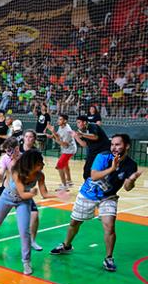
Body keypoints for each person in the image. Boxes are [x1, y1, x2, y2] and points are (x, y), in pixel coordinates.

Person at [51, 134, 142, 272]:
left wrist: (132, 180)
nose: (114, 147)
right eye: (113, 144)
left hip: (108, 197)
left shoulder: (131, 165)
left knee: (109, 226)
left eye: (118, 144)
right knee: (75, 223)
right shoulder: (103, 156)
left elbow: (127, 188)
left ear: (127, 146)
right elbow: (94, 176)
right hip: (89, 193)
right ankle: (66, 245)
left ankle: (109, 258)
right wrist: (112, 168)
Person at [0, 150, 68, 275]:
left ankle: (26, 261)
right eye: (40, 163)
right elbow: (23, 193)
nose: (43, 165)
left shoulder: (40, 175)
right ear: (32, 163)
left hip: (23, 202)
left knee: (24, 231)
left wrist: (58, 195)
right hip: (7, 197)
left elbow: (44, 194)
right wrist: (32, 193)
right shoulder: (17, 172)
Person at [73, 115, 110, 180]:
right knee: (86, 171)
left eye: (79, 122)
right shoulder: (82, 131)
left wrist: (82, 135)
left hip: (103, 151)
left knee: (98, 170)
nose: (77, 124)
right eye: (77, 123)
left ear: (84, 122)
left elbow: (95, 137)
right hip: (93, 152)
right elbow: (84, 144)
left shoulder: (92, 126)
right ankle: (89, 186)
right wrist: (76, 137)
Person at [46, 114, 77, 190]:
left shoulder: (67, 131)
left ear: (65, 121)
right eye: (58, 119)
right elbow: (58, 136)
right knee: (65, 164)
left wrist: (55, 139)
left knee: (59, 166)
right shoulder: (61, 126)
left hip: (69, 150)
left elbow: (64, 144)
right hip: (67, 149)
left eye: (60, 119)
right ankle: (69, 181)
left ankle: (64, 185)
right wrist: (52, 134)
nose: (58, 121)